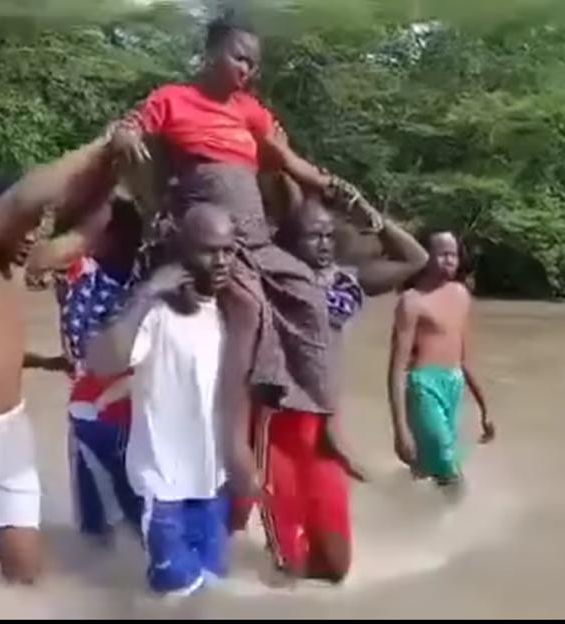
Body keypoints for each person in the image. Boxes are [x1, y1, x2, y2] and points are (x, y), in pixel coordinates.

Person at [111, 15, 381, 499]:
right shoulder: (171, 99)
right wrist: (126, 137)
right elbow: (127, 131)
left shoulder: (250, 111)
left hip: (257, 234)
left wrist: (343, 194)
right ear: (211, 53)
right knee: (250, 307)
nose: (248, 70)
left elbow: (292, 164)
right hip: (210, 236)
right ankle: (236, 443)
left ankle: (328, 418)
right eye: (240, 58)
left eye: (254, 64)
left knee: (309, 293)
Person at [0, 132, 117, 584]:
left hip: (12, 433)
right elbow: (24, 197)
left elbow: (89, 232)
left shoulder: (20, 268)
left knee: (26, 579)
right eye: (25, 225)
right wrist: (102, 144)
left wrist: (114, 168)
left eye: (38, 226)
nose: (33, 236)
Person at [243, 197, 427, 582]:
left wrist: (367, 213)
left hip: (325, 427)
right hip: (277, 424)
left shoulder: (345, 282)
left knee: (336, 568)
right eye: (313, 236)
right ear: (288, 243)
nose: (325, 244)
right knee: (289, 568)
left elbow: (415, 259)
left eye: (329, 235)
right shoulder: (270, 281)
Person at [86, 204, 235, 597]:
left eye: (228, 250)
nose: (221, 260)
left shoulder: (235, 310)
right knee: (177, 595)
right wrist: (147, 293)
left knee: (213, 597)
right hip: (164, 489)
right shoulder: (156, 313)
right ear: (182, 252)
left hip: (215, 484)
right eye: (209, 250)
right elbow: (102, 362)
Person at [58, 195, 145, 539]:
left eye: (99, 230)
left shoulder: (149, 287)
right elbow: (79, 349)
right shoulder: (84, 288)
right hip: (95, 410)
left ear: (125, 236)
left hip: (136, 410)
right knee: (98, 519)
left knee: (143, 509)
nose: (88, 238)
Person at [388, 230, 493, 490]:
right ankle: (461, 511)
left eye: (453, 255)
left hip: (454, 382)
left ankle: (401, 500)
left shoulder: (461, 294)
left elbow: (465, 359)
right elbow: (397, 369)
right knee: (447, 464)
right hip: (423, 386)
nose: (450, 261)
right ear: (424, 257)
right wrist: (400, 429)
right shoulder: (411, 301)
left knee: (431, 464)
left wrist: (485, 408)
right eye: (443, 254)